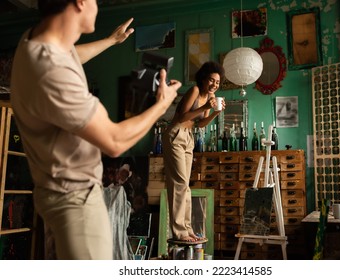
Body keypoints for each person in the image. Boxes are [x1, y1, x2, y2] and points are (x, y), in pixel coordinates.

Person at [10, 0, 181, 259]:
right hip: (77, 204)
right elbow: (114, 141)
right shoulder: (52, 71)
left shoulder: (32, 43)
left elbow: (69, 55)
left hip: (55, 194)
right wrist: (162, 106)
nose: (97, 6)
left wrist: (112, 41)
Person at [162, 61, 225, 242]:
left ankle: (187, 229)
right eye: (211, 80)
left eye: (218, 82)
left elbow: (201, 123)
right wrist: (206, 107)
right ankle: (178, 231)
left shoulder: (209, 97)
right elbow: (182, 116)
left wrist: (214, 112)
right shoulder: (195, 91)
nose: (214, 84)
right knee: (179, 183)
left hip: (189, 137)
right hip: (175, 134)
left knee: (185, 185)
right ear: (204, 79)